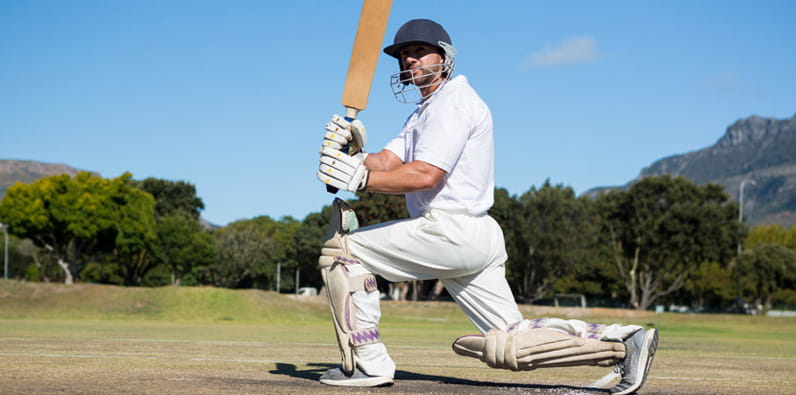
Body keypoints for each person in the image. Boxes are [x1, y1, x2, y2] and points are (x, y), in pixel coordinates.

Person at [315, 18, 658, 394]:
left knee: (341, 252)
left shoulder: (453, 102)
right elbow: (387, 162)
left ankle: (367, 364)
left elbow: (427, 175)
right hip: (473, 235)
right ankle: (623, 341)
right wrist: (353, 154)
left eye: (418, 51)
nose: (410, 61)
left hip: (450, 230)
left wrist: (360, 178)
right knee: (512, 341)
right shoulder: (422, 113)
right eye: (404, 55)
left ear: (444, 56)